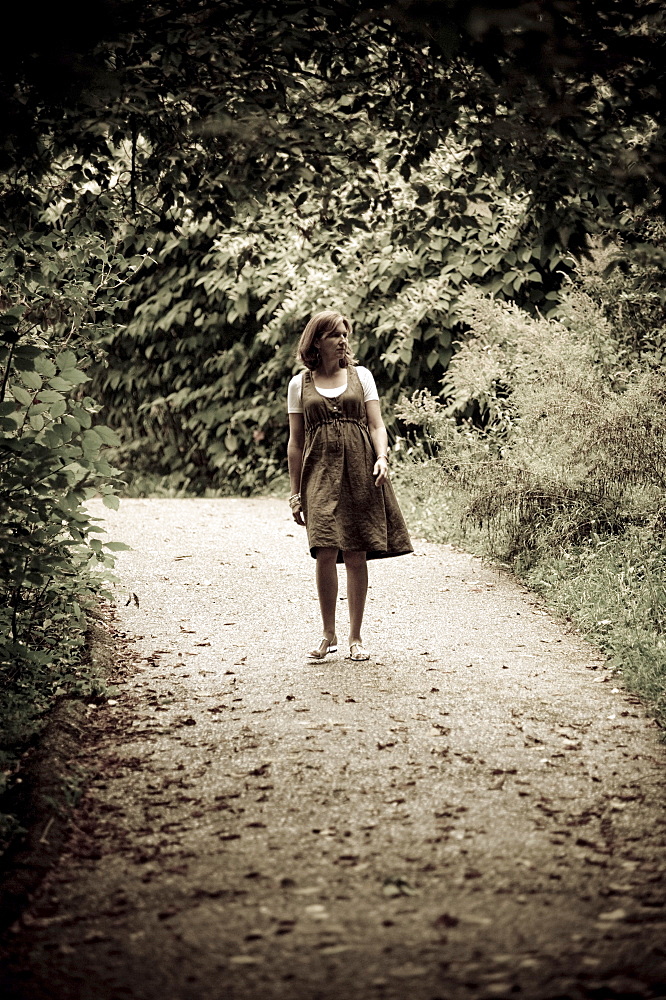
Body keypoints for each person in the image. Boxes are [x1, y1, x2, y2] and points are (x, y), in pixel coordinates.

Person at [287, 310, 413, 661]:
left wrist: (382, 457)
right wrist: (295, 493)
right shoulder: (299, 384)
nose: (343, 341)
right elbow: (295, 443)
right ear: (317, 341)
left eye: (346, 334)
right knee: (324, 548)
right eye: (335, 335)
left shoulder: (363, 377)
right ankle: (329, 634)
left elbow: (377, 425)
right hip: (318, 472)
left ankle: (356, 637)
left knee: (356, 550)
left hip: (360, 467)